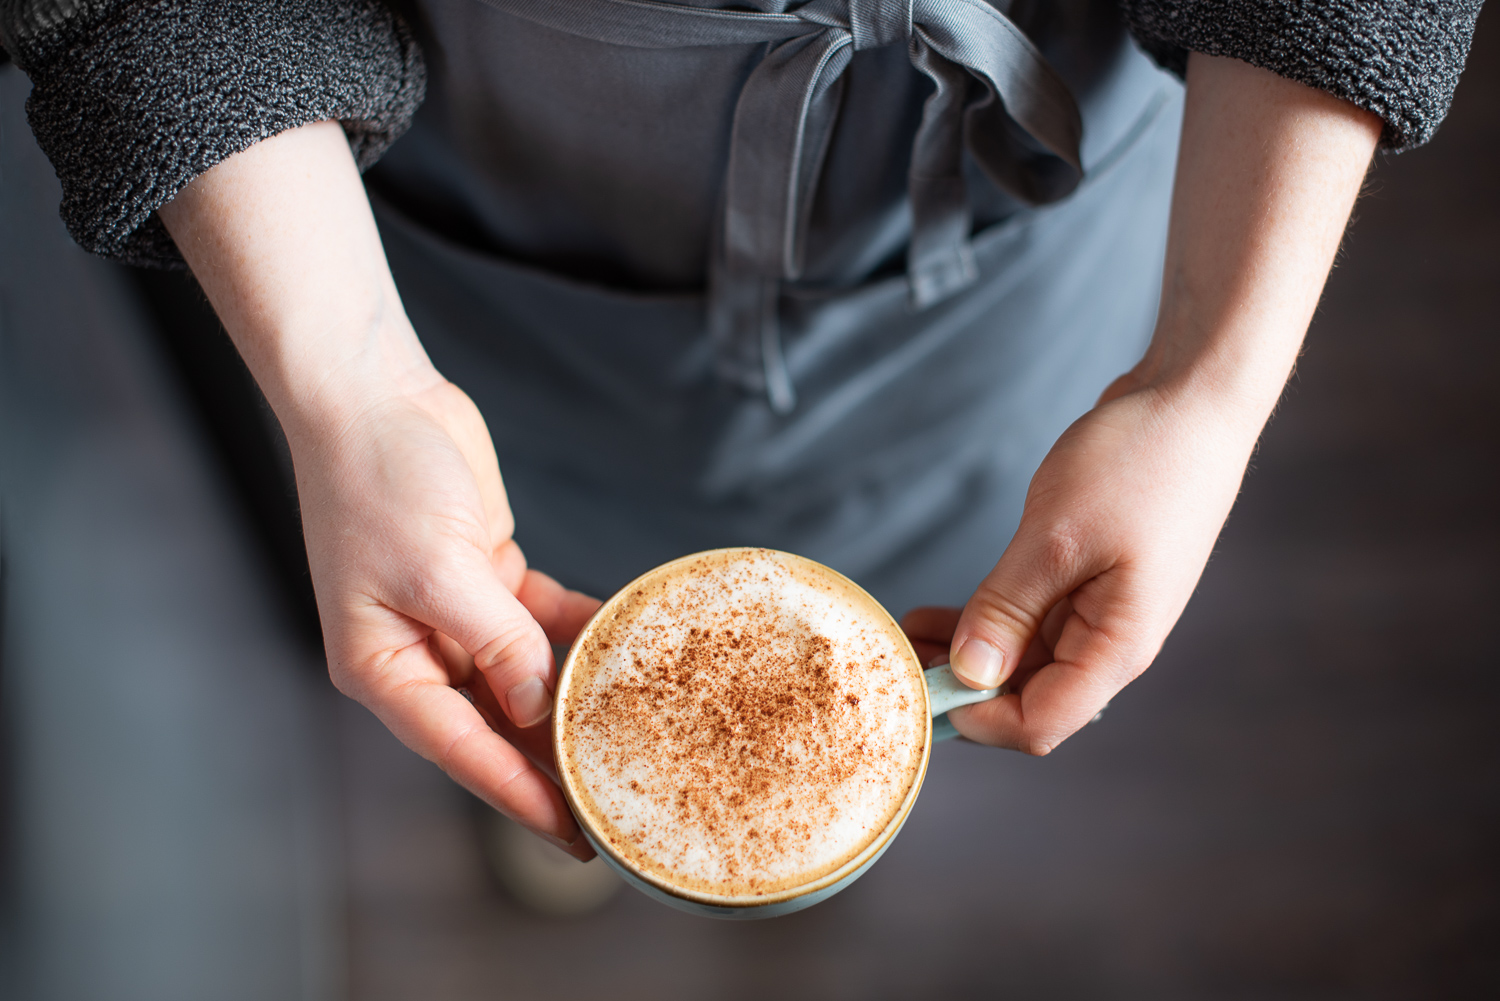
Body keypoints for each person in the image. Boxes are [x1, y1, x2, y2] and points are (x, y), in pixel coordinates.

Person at [0, 0, 1483, 868]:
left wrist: (1203, 386)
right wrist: (349, 379)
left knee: (957, 584)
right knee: (497, 605)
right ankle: (581, 794)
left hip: (1001, 241)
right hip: (445, 240)